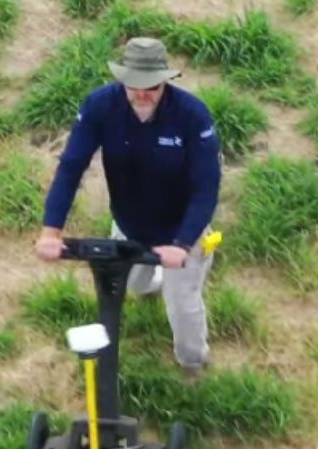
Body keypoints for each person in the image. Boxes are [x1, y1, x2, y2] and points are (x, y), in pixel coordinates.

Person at [35, 37, 222, 377]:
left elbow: (206, 189)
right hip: (130, 224)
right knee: (135, 286)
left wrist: (181, 244)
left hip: (181, 230)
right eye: (133, 85)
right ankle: (157, 279)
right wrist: (52, 230)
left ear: (165, 79)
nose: (142, 93)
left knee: (183, 306)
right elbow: (71, 166)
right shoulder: (100, 106)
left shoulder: (192, 116)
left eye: (151, 86)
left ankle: (194, 366)